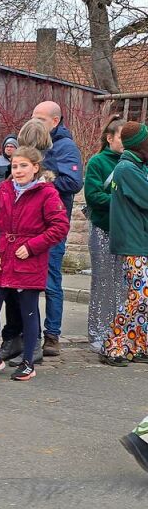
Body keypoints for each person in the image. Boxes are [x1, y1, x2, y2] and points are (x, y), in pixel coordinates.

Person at [0, 145, 69, 381]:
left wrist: (31, 247)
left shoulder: (47, 193)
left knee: (28, 312)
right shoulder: (5, 190)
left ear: (35, 167)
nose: (18, 171)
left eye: (23, 166)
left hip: (29, 261)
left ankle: (29, 361)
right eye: (15, 166)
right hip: (2, 260)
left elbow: (60, 226)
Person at [31, 101, 84, 357]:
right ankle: (28, 334)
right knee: (26, 283)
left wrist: (41, 179)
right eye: (33, 117)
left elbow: (73, 182)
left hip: (52, 225)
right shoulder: (30, 145)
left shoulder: (66, 147)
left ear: (55, 121)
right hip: (28, 225)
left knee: (51, 281)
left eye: (41, 119)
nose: (35, 122)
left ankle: (52, 335)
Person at [100, 120, 148, 367]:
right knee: (138, 296)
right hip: (133, 241)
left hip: (140, 239)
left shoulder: (137, 166)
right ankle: (112, 345)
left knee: (144, 297)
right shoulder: (127, 169)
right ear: (140, 145)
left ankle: (137, 344)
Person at [84, 114, 127, 352]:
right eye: (121, 137)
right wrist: (122, 202)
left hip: (127, 232)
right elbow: (93, 196)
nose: (124, 142)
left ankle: (121, 331)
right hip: (103, 229)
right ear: (110, 138)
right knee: (103, 283)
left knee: (124, 285)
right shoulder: (98, 162)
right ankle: (98, 332)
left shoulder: (136, 162)